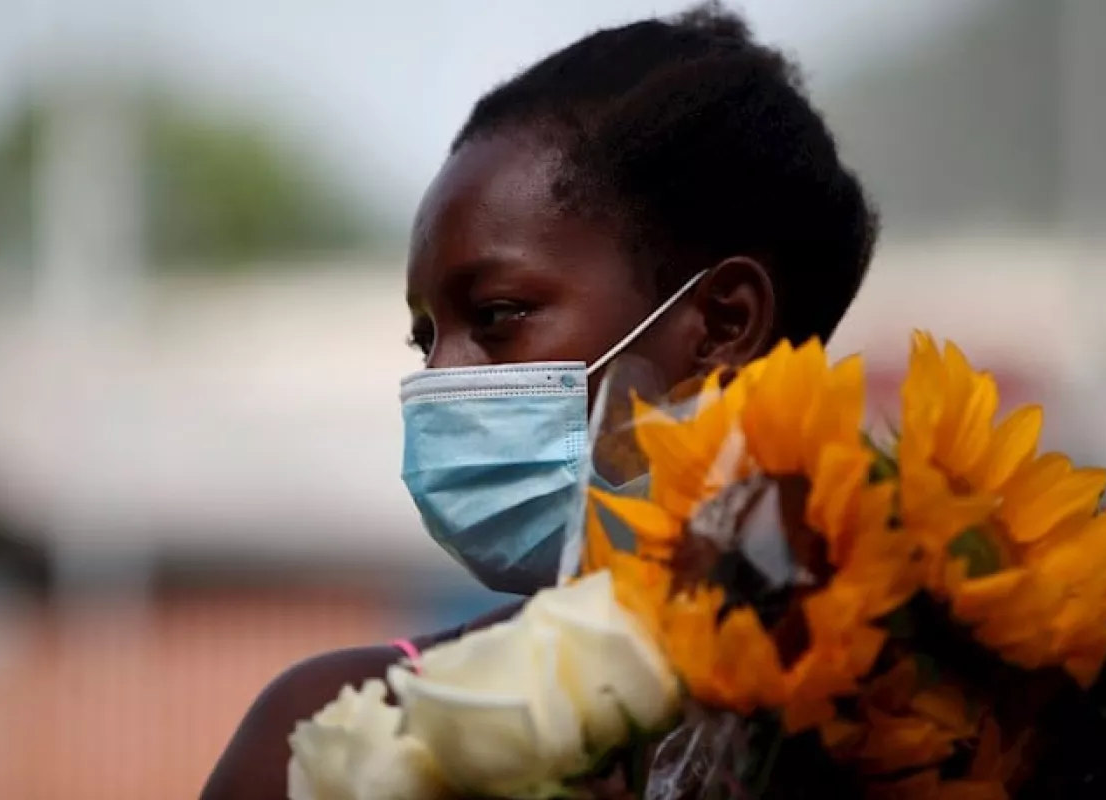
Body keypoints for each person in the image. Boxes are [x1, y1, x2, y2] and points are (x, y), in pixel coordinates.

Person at [201, 3, 876, 797]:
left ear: (723, 324)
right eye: (425, 338)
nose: (440, 378)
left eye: (497, 316)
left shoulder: (937, 720)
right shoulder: (338, 737)